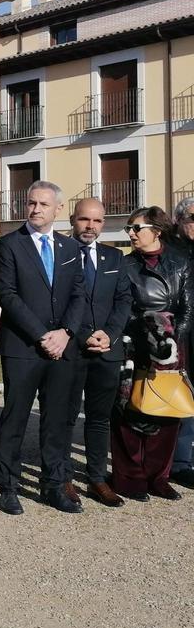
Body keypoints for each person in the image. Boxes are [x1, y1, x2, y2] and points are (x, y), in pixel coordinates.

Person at [0, 180, 86, 515]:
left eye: (43, 204)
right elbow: (8, 295)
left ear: (58, 209)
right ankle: (8, 485)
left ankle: (53, 485)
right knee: (15, 417)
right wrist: (42, 335)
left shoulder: (69, 249)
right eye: (31, 203)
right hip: (22, 347)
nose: (35, 209)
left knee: (57, 420)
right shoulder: (8, 245)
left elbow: (78, 294)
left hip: (63, 348)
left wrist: (66, 332)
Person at [112, 206, 193, 500]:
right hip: (134, 347)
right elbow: (120, 307)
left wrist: (170, 339)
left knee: (167, 411)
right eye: (128, 229)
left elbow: (187, 309)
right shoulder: (125, 265)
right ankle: (129, 476)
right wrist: (144, 331)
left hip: (169, 349)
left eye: (136, 228)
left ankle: (159, 476)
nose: (131, 234)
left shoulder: (180, 262)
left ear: (156, 231)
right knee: (128, 410)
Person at [65, 198, 132, 507]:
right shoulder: (60, 255)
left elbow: (123, 301)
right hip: (71, 351)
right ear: (72, 219)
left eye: (97, 221)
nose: (90, 226)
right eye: (84, 220)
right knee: (63, 416)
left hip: (107, 350)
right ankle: (61, 476)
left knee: (99, 418)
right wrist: (82, 336)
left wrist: (110, 334)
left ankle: (96, 478)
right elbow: (56, 304)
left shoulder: (115, 257)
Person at [167, 197, 194, 489]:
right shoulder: (171, 252)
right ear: (178, 220)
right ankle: (180, 463)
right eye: (192, 218)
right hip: (181, 336)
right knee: (184, 399)